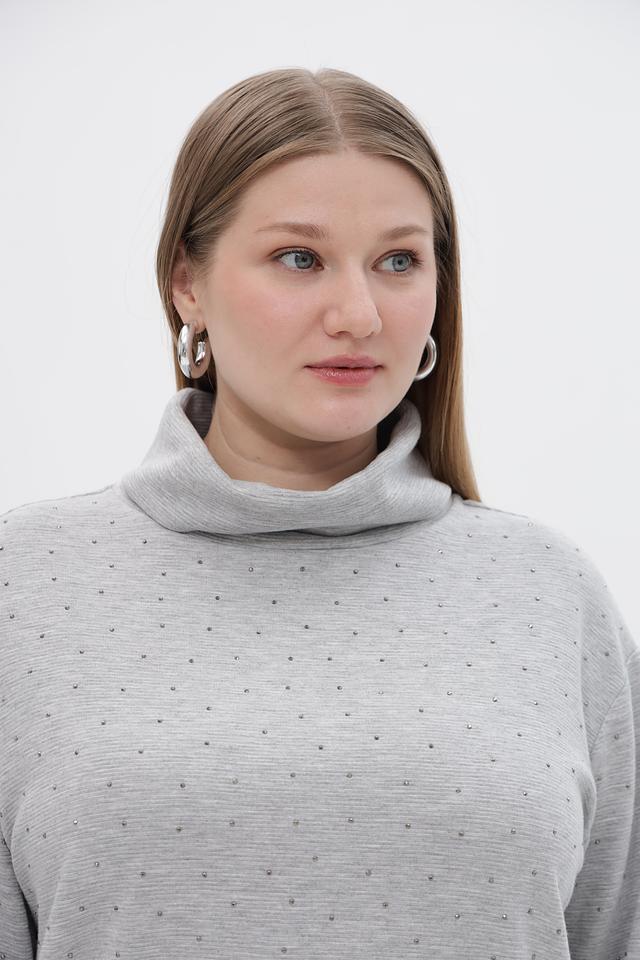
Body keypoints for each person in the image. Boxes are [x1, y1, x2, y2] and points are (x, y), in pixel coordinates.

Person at [1, 66, 637, 960]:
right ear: (187, 284)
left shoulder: (548, 593)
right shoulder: (26, 586)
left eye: (399, 261)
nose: (359, 314)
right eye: (299, 258)